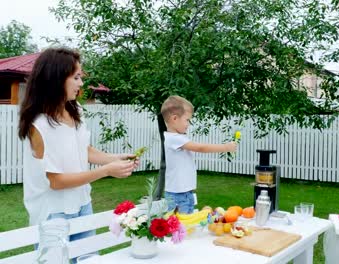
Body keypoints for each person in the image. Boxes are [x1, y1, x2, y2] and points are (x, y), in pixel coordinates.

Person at [18, 48, 139, 246]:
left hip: (83, 203)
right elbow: (56, 181)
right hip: (52, 212)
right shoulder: (38, 125)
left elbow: (84, 150)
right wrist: (107, 170)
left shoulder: (76, 111)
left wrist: (115, 158)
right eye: (76, 77)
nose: (81, 83)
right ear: (56, 78)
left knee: (88, 259)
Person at [161, 95, 237, 213]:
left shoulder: (178, 138)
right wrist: (225, 147)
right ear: (175, 118)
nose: (188, 124)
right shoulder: (174, 139)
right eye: (187, 120)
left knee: (188, 225)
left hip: (185, 192)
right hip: (178, 195)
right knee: (180, 227)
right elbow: (201, 148)